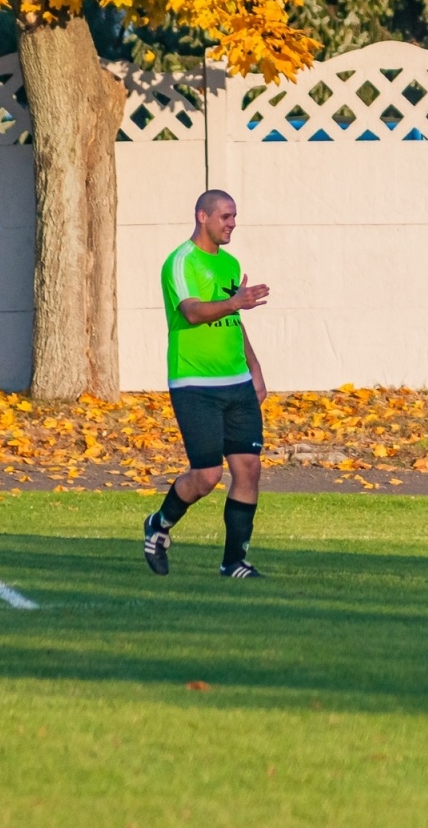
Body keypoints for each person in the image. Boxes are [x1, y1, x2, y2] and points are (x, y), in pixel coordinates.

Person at [142, 189, 271, 578]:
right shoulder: (181, 262)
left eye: (234, 217)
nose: (232, 224)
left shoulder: (230, 264)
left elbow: (234, 320)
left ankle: (234, 562)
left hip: (237, 381)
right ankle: (159, 524)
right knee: (207, 475)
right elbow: (193, 312)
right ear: (203, 216)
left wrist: (255, 368)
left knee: (248, 468)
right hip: (195, 383)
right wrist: (235, 302)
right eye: (225, 217)